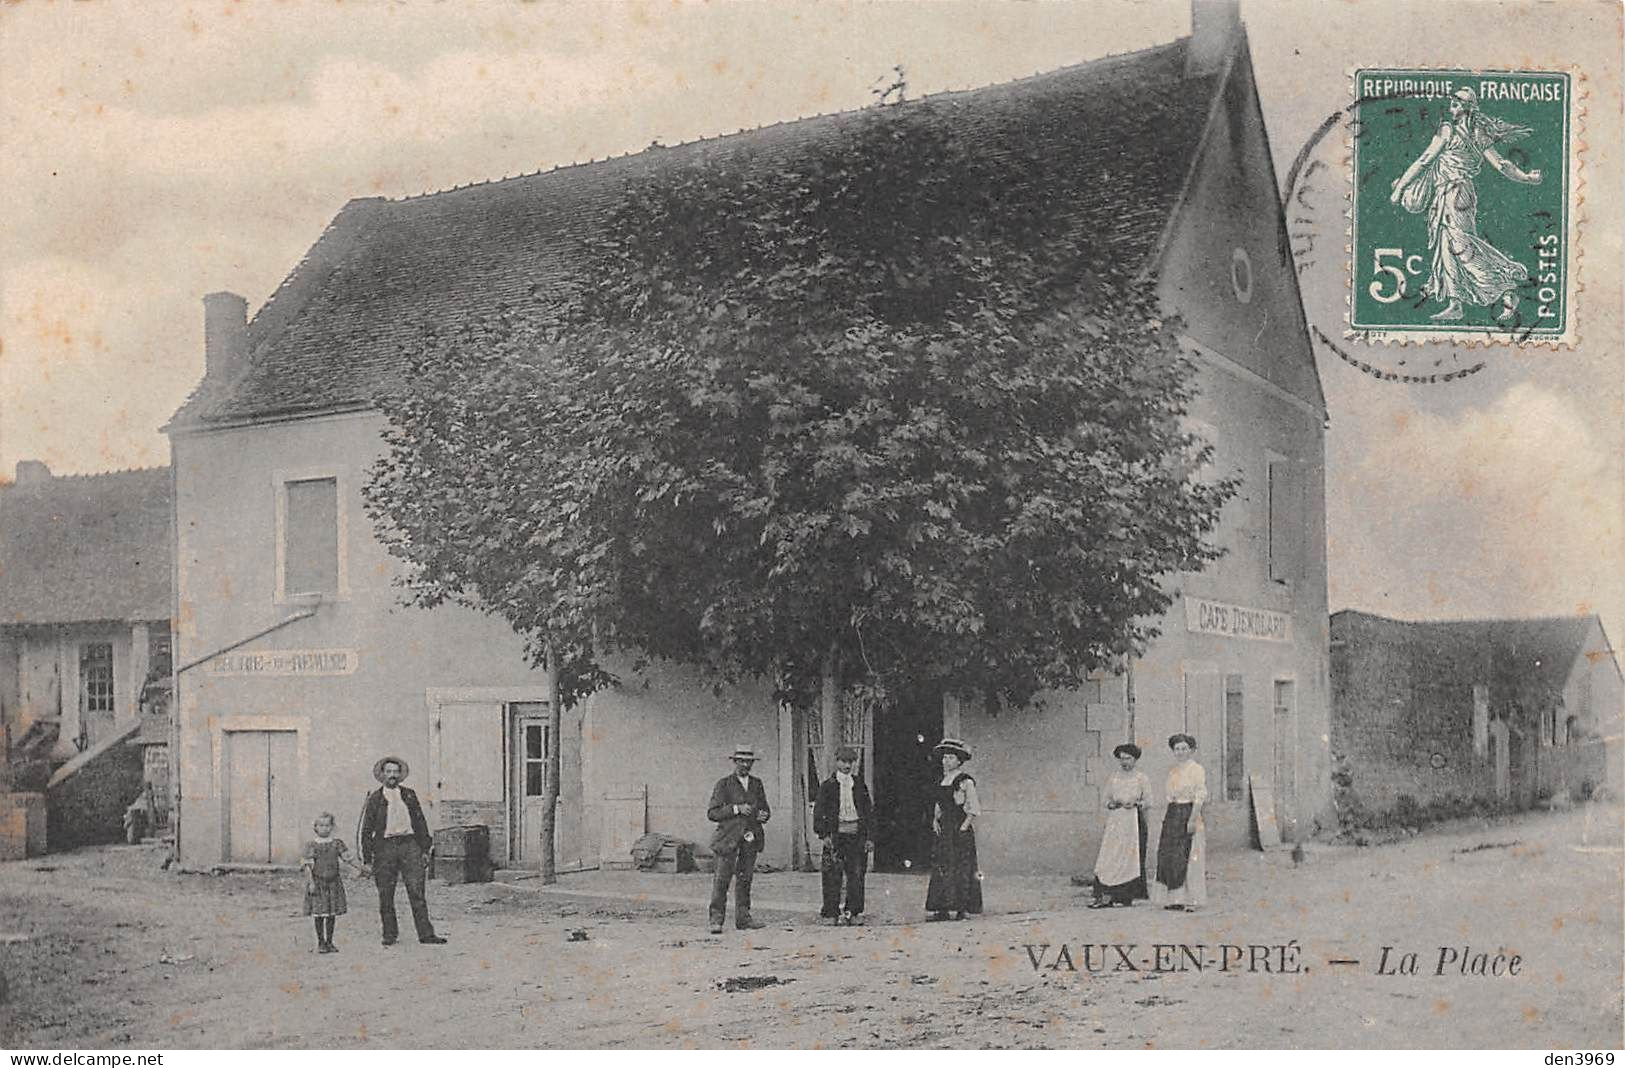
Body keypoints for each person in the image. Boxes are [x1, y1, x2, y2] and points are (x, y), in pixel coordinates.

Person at [1389, 86, 1544, 322]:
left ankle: (1505, 288)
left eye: (1458, 101)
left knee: (1462, 248)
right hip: (1460, 194)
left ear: (1468, 107)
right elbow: (1501, 164)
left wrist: (1400, 188)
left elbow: (1424, 160)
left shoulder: (1448, 130)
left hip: (1453, 195)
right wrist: (1526, 178)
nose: (1453, 103)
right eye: (1453, 99)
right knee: (1448, 247)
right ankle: (1456, 303)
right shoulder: (1478, 133)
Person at [358, 756, 447, 946]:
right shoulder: (375, 798)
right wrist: (367, 859)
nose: (392, 776)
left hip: (410, 846)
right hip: (385, 848)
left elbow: (420, 821)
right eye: (388, 772)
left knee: (417, 891)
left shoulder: (409, 795)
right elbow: (366, 830)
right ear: (382, 775)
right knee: (386, 893)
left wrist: (424, 849)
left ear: (400, 775)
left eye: (395, 772)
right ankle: (389, 934)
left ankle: (426, 934)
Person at [706, 744, 771, 934]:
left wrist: (763, 815)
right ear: (734, 762)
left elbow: (765, 809)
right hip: (728, 839)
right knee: (721, 880)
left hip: (750, 839)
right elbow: (712, 812)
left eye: (748, 762)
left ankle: (743, 918)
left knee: (745, 879)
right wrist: (736, 809)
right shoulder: (723, 784)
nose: (745, 765)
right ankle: (716, 920)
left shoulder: (757, 784)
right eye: (741, 761)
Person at [813, 745, 873, 926]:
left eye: (850, 762)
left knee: (856, 874)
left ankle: (853, 912)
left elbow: (868, 812)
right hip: (836, 835)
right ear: (836, 762)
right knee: (832, 875)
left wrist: (869, 837)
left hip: (856, 835)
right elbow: (819, 811)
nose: (847, 766)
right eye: (843, 761)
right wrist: (824, 835)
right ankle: (831, 913)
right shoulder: (827, 786)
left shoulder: (859, 784)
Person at [925, 738, 982, 921]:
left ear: (959, 761)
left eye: (950, 758)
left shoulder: (965, 781)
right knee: (943, 865)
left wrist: (964, 828)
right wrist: (935, 820)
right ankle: (942, 907)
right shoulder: (943, 780)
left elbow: (973, 808)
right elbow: (938, 804)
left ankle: (961, 908)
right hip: (944, 828)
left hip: (959, 828)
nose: (946, 761)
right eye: (944, 758)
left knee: (961, 867)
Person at [1089, 743, 1151, 908]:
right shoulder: (1114, 778)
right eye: (1122, 759)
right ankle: (1105, 893)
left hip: (1133, 820)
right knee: (1111, 855)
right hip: (1116, 821)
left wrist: (1136, 803)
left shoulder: (1141, 778)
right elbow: (1105, 800)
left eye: (1128, 758)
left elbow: (1149, 801)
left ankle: (1125, 896)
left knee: (1129, 857)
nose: (1125, 762)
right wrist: (1113, 804)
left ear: (1135, 759)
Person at [1153, 733, 1207, 912]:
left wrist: (1192, 820)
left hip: (1189, 811)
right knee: (1170, 854)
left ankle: (1192, 899)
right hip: (1173, 813)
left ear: (1191, 750)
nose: (1180, 752)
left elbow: (1199, 796)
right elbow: (1170, 796)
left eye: (1184, 748)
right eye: (1177, 749)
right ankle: (1175, 898)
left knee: (1189, 855)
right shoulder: (1173, 771)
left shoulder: (1196, 769)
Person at [301, 811, 365, 953]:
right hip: (318, 883)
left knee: (331, 913)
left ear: (332, 827)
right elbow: (307, 867)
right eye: (321, 825)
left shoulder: (337, 844)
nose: (324, 828)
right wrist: (310, 882)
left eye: (328, 825)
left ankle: (330, 941)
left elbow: (348, 858)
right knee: (319, 913)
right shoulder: (311, 845)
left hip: (333, 883)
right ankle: (320, 942)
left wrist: (362, 868)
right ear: (315, 827)